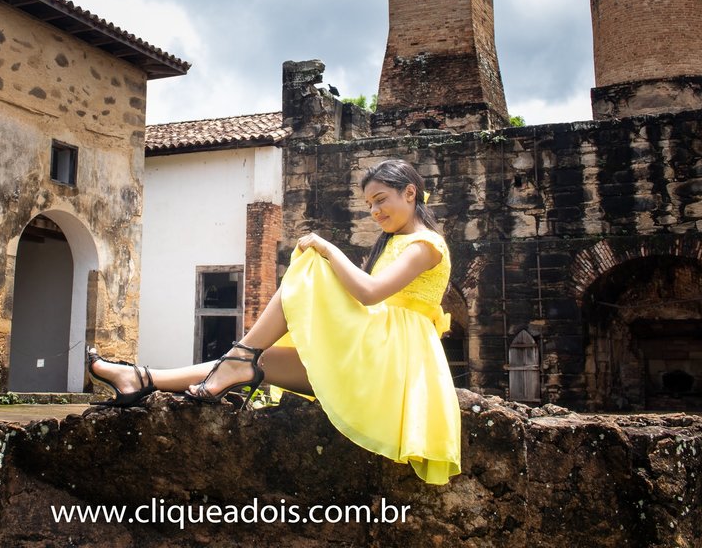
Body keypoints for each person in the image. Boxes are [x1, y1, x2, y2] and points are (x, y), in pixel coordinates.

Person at [86, 158, 461, 484]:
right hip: (372, 348)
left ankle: (238, 355)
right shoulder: (394, 242)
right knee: (257, 363)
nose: (375, 211)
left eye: (381, 201)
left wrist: (327, 249)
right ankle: (141, 378)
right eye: (369, 205)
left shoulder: (426, 245)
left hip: (392, 361)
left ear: (410, 193)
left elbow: (369, 293)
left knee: (302, 277)